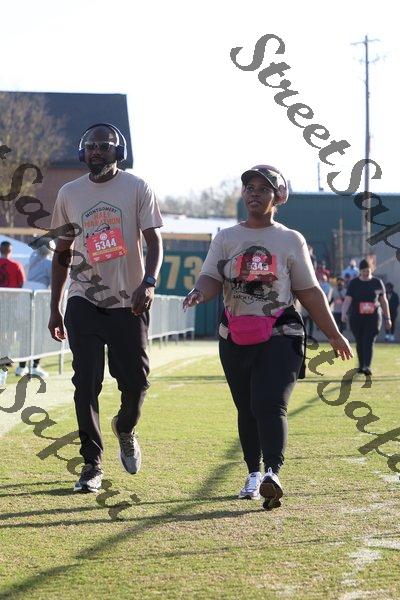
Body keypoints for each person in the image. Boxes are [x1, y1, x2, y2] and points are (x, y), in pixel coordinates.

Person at [183, 164, 352, 510]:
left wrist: (334, 334)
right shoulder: (226, 238)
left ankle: (273, 472)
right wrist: (199, 292)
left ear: (278, 197)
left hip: (280, 332)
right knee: (247, 408)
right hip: (234, 333)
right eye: (250, 188)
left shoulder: (290, 239)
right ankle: (253, 473)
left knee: (269, 403)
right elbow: (211, 278)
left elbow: (309, 291)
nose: (255, 194)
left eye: (263, 189)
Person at [48, 123, 163, 493]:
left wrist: (149, 282)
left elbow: (154, 241)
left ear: (119, 151)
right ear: (83, 152)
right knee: (86, 382)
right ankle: (91, 463)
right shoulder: (69, 193)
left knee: (136, 383)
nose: (97, 151)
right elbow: (62, 253)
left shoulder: (137, 187)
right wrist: (55, 306)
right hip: (84, 299)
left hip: (129, 301)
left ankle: (125, 428)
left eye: (104, 145)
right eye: (91, 146)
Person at [341, 259, 391, 376]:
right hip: (357, 317)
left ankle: (367, 366)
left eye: (367, 271)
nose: (365, 273)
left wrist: (387, 317)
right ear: (360, 271)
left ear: (371, 269)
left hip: (373, 317)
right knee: (359, 341)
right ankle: (361, 365)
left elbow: (383, 301)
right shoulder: (354, 283)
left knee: (369, 340)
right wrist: (343, 313)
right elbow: (348, 300)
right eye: (363, 271)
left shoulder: (377, 282)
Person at [17, 240, 55, 378]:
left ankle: (22, 367)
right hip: (39, 301)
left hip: (27, 298)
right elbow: (53, 284)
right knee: (38, 334)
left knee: (26, 333)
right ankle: (34, 366)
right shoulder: (48, 263)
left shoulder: (33, 260)